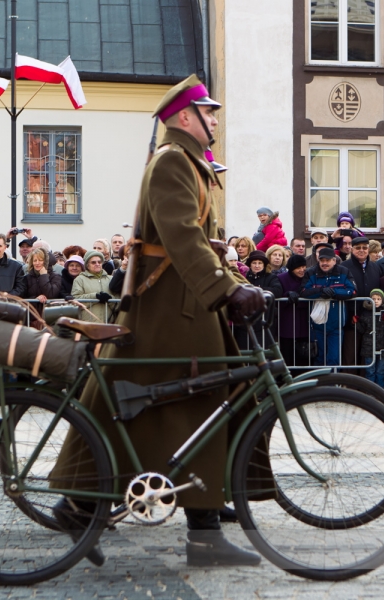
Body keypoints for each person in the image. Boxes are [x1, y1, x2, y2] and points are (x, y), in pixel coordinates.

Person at [51, 74, 265, 567]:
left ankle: (102, 507)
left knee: (174, 407)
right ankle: (89, 505)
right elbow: (181, 237)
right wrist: (228, 289)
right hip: (172, 307)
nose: (215, 121)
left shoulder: (189, 164)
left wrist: (236, 280)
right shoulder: (173, 163)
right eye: (208, 113)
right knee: (185, 403)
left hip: (184, 305)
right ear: (185, 117)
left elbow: (206, 242)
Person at [300, 246, 357, 366]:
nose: (324, 263)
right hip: (317, 325)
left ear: (334, 260)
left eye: (327, 260)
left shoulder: (344, 271)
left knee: (334, 359)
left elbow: (353, 291)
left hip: (336, 325)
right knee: (319, 358)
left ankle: (334, 383)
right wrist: (321, 291)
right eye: (322, 260)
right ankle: (318, 384)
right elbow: (304, 291)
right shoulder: (311, 272)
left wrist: (334, 293)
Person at [341, 236, 382, 366]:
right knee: (350, 354)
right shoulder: (344, 267)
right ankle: (349, 384)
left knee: (367, 356)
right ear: (352, 249)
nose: (361, 250)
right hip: (351, 319)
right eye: (358, 248)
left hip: (370, 319)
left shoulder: (375, 267)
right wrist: (351, 314)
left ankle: (363, 385)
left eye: (365, 248)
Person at [276, 254, 311, 366]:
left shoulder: (308, 277)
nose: (301, 270)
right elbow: (278, 295)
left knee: (304, 354)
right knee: (287, 353)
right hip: (288, 322)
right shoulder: (281, 278)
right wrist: (287, 295)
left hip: (305, 321)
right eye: (298, 268)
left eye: (303, 267)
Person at [71, 250, 115, 323]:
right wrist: (95, 296)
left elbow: (118, 303)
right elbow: (76, 300)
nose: (97, 264)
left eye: (99, 262)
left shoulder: (111, 279)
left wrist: (110, 299)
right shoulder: (79, 279)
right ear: (87, 265)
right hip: (88, 325)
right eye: (93, 262)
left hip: (109, 324)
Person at [358, 289, 384, 387]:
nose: (376, 301)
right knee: (370, 371)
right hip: (369, 347)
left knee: (381, 372)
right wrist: (356, 323)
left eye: (378, 299)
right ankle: (370, 391)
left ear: (383, 300)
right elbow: (362, 330)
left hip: (383, 347)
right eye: (373, 299)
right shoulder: (365, 313)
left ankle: (381, 391)